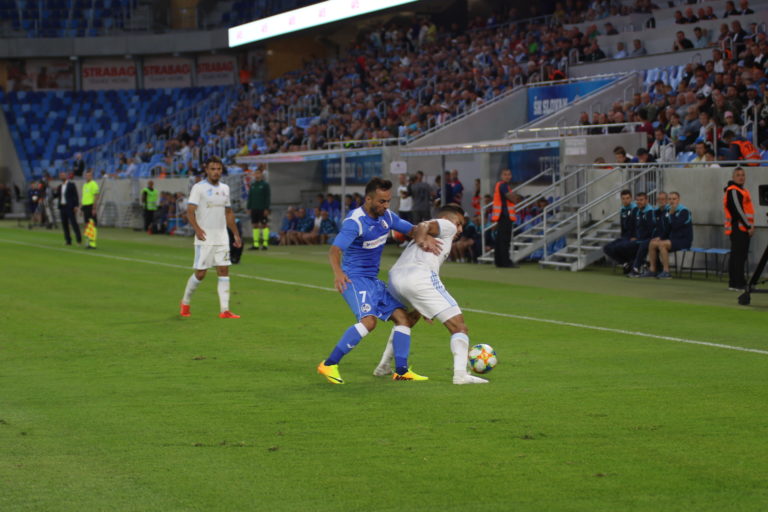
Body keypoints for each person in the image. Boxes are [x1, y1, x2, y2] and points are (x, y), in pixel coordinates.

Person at [317, 177, 438, 385]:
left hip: (373, 281)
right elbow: (334, 250)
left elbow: (413, 229)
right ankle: (328, 364)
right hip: (354, 279)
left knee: (404, 319)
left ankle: (401, 370)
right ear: (369, 199)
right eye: (381, 201)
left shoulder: (387, 218)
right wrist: (338, 273)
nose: (386, 205)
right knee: (369, 322)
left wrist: (425, 237)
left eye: (388, 201)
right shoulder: (355, 222)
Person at [375, 205, 487, 385]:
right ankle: (460, 375)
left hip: (396, 277)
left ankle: (383, 366)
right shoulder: (446, 226)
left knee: (406, 320)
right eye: (459, 223)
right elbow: (424, 225)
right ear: (449, 218)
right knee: (459, 327)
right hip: (419, 278)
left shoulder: (437, 236)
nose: (459, 229)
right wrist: (421, 238)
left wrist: (425, 307)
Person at [179, 156, 242, 319]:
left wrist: (235, 233)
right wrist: (197, 229)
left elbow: (228, 212)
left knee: (224, 270)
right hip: (205, 237)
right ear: (207, 170)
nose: (216, 172)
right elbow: (190, 211)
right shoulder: (198, 188)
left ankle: (225, 310)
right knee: (201, 274)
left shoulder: (225, 189)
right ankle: (185, 302)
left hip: (221, 237)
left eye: (218, 169)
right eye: (212, 169)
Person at [644, 192, 693, 279]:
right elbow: (667, 228)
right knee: (652, 243)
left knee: (662, 244)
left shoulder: (684, 211)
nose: (672, 201)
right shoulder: (668, 211)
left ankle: (666, 271)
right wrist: (661, 237)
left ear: (678, 200)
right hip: (672, 239)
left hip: (683, 240)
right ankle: (652, 270)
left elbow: (676, 226)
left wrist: (671, 215)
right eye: (670, 199)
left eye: (674, 199)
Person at [723, 167, 754, 290]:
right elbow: (738, 210)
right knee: (739, 256)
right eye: (738, 175)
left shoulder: (741, 190)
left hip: (741, 227)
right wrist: (748, 226)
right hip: (739, 228)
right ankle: (739, 283)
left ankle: (734, 282)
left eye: (743, 175)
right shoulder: (734, 190)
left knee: (737, 256)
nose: (741, 177)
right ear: (733, 177)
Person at [603, 189, 636, 273]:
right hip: (624, 236)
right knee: (607, 248)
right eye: (623, 198)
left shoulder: (635, 209)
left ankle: (632, 264)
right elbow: (622, 225)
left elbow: (637, 225)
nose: (625, 200)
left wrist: (635, 236)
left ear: (631, 198)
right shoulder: (623, 209)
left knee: (623, 246)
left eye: (627, 198)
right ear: (621, 199)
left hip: (633, 236)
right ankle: (624, 263)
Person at [627, 192, 657, 277]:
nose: (639, 202)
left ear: (646, 200)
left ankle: (635, 269)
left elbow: (651, 229)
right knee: (625, 244)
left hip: (651, 238)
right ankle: (637, 266)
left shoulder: (650, 211)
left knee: (643, 245)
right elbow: (632, 226)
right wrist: (634, 236)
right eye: (637, 200)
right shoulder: (637, 211)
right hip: (641, 238)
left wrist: (640, 239)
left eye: (641, 200)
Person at [492, 169, 516, 268]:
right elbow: (512, 198)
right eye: (505, 174)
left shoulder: (499, 185)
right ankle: (505, 262)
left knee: (500, 240)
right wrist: (516, 197)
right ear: (501, 176)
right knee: (505, 240)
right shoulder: (503, 185)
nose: (508, 176)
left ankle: (499, 261)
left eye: (509, 174)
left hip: (501, 216)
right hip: (505, 216)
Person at [247, 166, 271, 250]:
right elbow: (250, 196)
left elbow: (267, 197)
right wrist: (249, 207)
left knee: (264, 225)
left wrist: (267, 208)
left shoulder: (265, 185)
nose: (257, 175)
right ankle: (256, 244)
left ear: (261, 174)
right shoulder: (253, 185)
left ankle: (265, 243)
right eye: (255, 173)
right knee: (255, 225)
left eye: (258, 173)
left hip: (262, 208)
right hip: (254, 208)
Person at [53, 171, 81, 246]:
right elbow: (56, 196)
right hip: (62, 207)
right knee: (64, 224)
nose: (62, 177)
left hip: (70, 207)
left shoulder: (71, 185)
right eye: (60, 176)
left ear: (66, 176)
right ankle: (68, 240)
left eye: (63, 175)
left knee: (73, 223)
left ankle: (79, 240)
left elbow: (76, 196)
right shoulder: (59, 186)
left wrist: (76, 205)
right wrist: (52, 191)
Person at [81, 170, 99, 249]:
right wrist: (81, 207)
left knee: (92, 225)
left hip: (91, 206)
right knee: (87, 225)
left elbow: (96, 196)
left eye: (89, 175)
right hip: (85, 206)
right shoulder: (85, 185)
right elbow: (84, 197)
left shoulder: (94, 184)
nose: (87, 177)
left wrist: (94, 208)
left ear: (92, 176)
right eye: (86, 175)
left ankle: (93, 243)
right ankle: (88, 241)